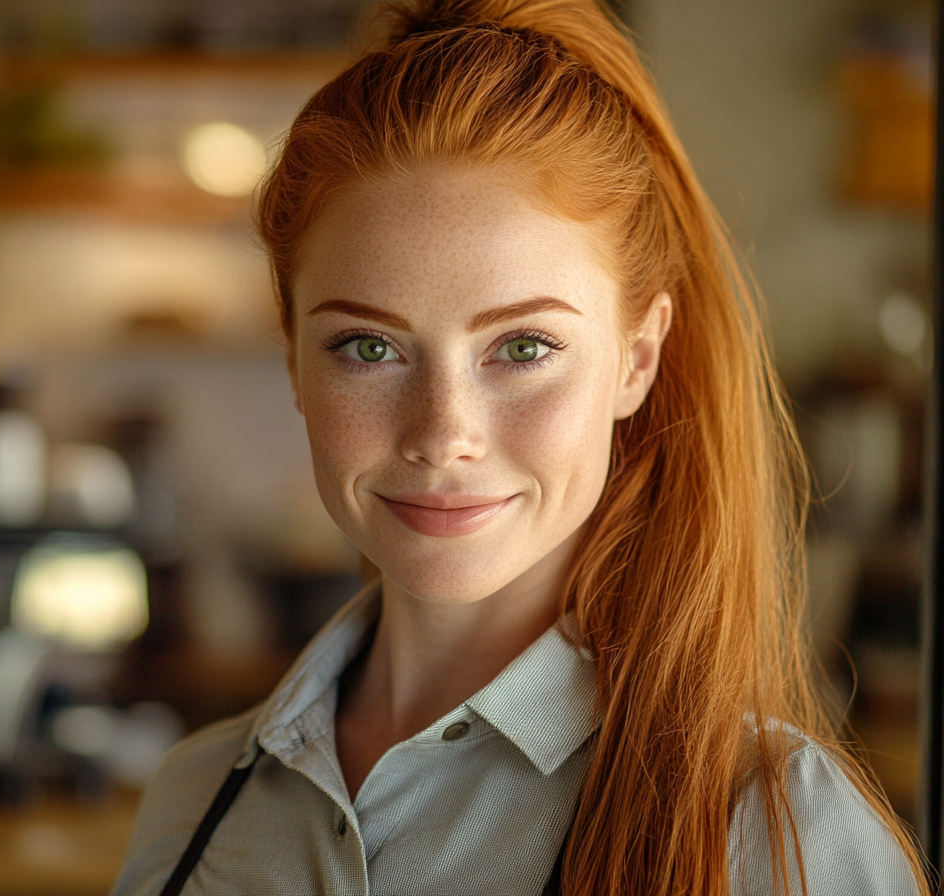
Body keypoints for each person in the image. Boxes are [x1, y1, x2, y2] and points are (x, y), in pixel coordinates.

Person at [110, 1, 932, 893]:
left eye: (524, 348)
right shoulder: (191, 806)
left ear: (636, 359)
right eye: (368, 347)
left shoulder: (771, 829)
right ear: (295, 360)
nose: (443, 435)